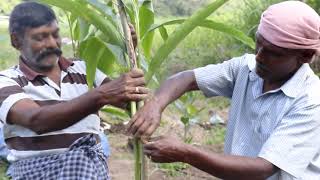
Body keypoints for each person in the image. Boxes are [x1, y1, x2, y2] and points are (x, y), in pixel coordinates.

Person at [127, 1, 320, 179]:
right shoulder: (245, 68)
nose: (259, 56)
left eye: (273, 52)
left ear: (304, 55)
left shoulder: (311, 101)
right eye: (258, 44)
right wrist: (155, 105)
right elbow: (186, 79)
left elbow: (262, 168)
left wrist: (185, 152)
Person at [0, 2, 148, 179]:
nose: (52, 43)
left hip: (90, 171)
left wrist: (129, 53)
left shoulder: (84, 69)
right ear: (16, 40)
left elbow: (127, 101)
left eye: (55, 35)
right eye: (40, 38)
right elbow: (37, 120)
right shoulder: (7, 80)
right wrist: (101, 95)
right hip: (38, 174)